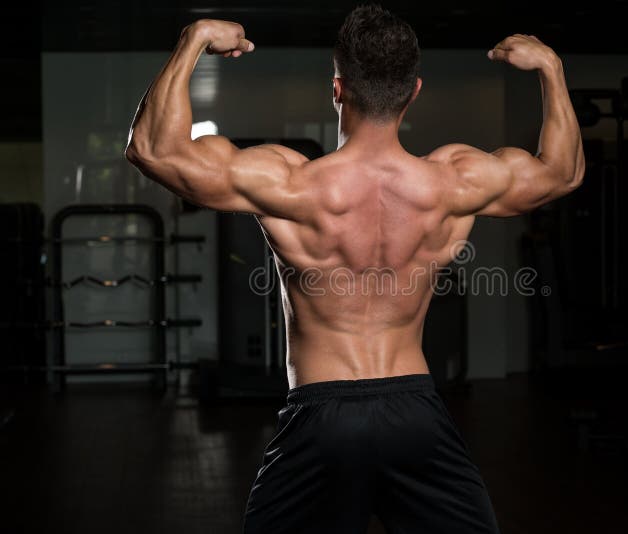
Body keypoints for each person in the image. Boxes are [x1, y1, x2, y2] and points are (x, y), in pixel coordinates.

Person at [126, 4, 584, 533]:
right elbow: (562, 172)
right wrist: (551, 67)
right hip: (415, 412)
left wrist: (194, 39)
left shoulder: (290, 184)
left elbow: (152, 149)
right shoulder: (454, 182)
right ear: (413, 92)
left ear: (337, 90)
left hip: (320, 418)